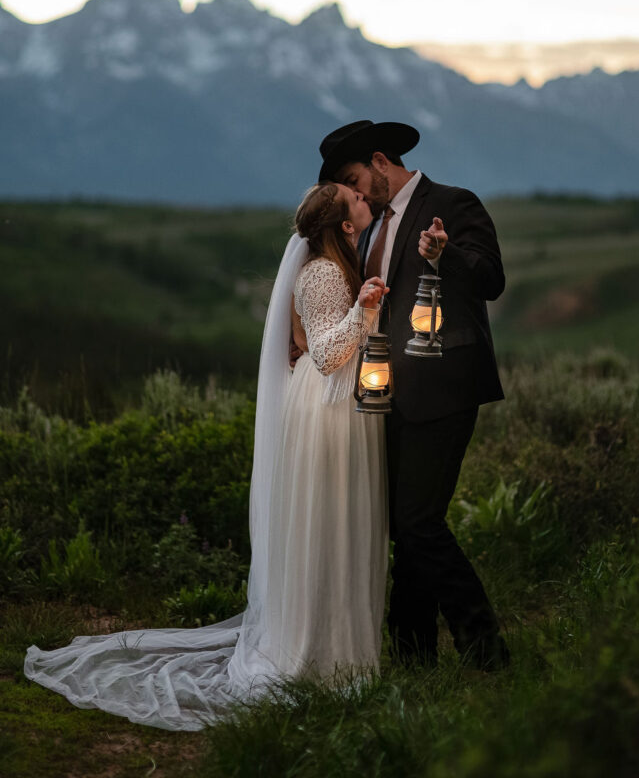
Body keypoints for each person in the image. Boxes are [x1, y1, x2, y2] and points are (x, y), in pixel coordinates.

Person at [24, 182, 391, 730]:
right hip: (324, 412)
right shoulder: (320, 272)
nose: (362, 194)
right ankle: (321, 653)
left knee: (338, 524)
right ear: (344, 225)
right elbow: (327, 352)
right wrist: (364, 311)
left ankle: (341, 650)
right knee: (327, 524)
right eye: (353, 196)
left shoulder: (343, 263)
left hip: (340, 410)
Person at [318, 119, 509, 670]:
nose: (354, 194)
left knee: (420, 523)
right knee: (404, 526)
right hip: (387, 395)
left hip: (445, 388)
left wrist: (444, 253)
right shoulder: (372, 227)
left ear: (381, 162)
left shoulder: (455, 202)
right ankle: (412, 655)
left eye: (355, 179)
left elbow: (491, 280)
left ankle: (487, 653)